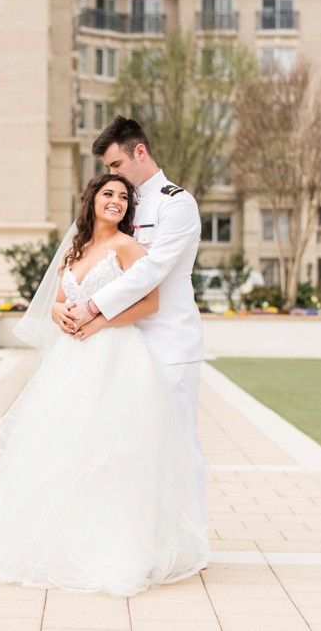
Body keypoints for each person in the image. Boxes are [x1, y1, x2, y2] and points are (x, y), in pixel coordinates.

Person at [0, 173, 209, 597]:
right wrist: (57, 314)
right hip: (72, 361)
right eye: (109, 194)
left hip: (116, 356)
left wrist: (100, 320)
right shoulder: (77, 250)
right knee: (63, 444)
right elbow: (59, 300)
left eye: (124, 197)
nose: (117, 202)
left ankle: (111, 546)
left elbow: (150, 302)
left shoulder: (128, 247)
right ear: (92, 199)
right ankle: (59, 540)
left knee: (110, 451)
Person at [61, 116, 208, 533]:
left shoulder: (175, 203)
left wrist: (92, 306)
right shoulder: (123, 201)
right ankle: (143, 534)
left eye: (116, 165)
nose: (111, 176)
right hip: (124, 344)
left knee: (178, 444)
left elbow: (154, 269)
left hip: (168, 342)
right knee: (131, 447)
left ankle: (190, 538)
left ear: (139, 152)